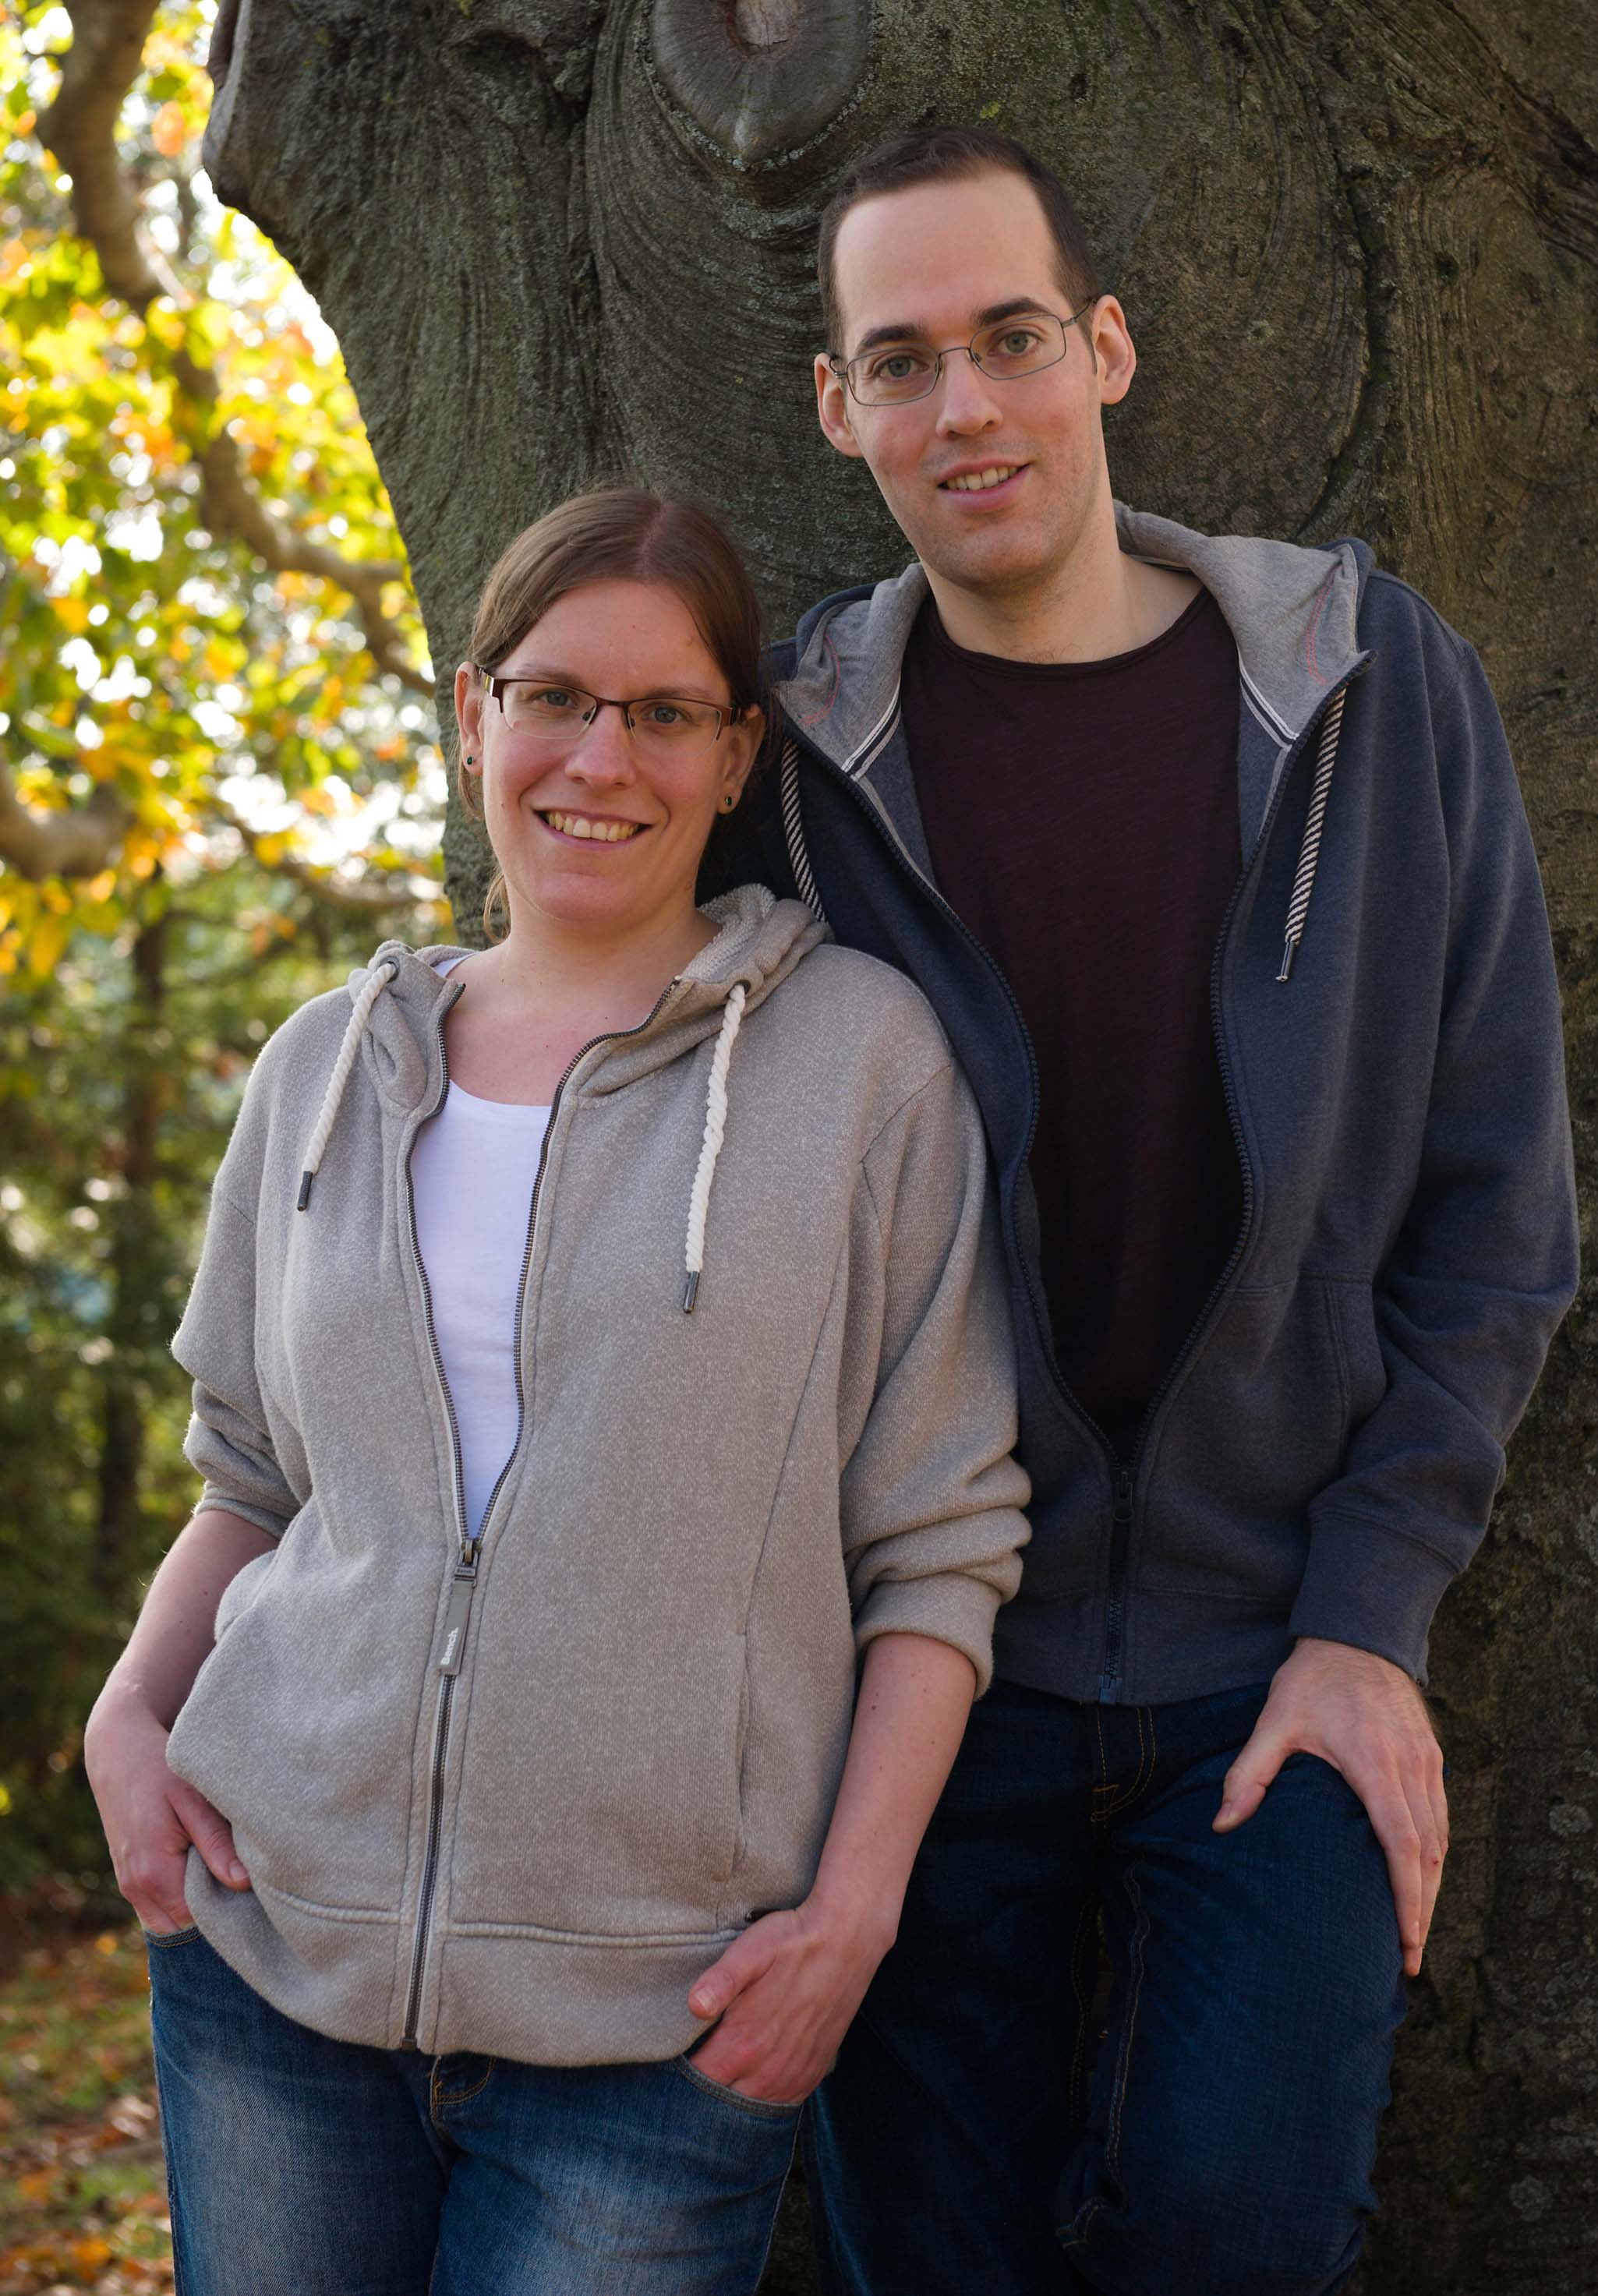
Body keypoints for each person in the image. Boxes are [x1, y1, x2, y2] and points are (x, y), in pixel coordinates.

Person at [704, 128, 1580, 2294]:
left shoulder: (1373, 700)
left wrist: (1373, 1613)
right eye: (898, 362)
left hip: (1273, 1655)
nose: (963, 407)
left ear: (1104, 349)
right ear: (836, 407)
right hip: (911, 1689)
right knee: (930, 2262)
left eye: (1009, 338)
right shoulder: (794, 772)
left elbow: (1494, 1213)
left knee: (1238, 2231)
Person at [84, 487, 1031, 2296]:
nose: (600, 756)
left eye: (664, 711)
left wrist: (852, 1913)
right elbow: (246, 1476)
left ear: (737, 752)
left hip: (664, 2019)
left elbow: (939, 1544)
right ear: (471, 717)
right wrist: (130, 1717)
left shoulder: (858, 1073)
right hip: (273, 1957)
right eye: (552, 698)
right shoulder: (325, 1071)